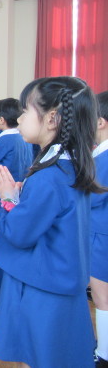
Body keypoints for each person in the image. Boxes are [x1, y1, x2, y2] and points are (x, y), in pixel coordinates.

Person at [0, 77, 100, 367]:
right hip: (59, 278)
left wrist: (8, 199)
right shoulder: (69, 164)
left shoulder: (49, 175)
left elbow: (19, 233)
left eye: (25, 111)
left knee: (35, 357)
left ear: (52, 119)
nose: (19, 117)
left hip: (41, 286)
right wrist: (21, 200)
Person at [0, 98, 32, 216]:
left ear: (1, 120)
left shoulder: (4, 140)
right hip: (17, 184)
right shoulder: (23, 136)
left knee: (0, 217)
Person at [91, 90, 108, 367]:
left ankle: (104, 353)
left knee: (101, 295)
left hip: (100, 234)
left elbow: (92, 195)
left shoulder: (103, 158)